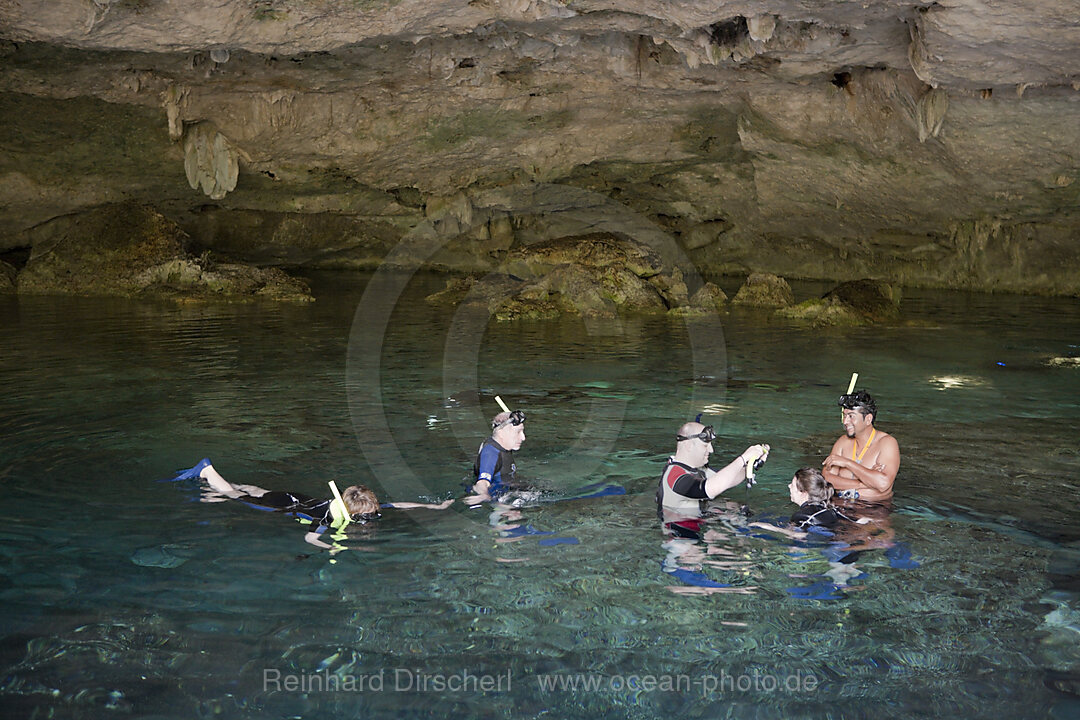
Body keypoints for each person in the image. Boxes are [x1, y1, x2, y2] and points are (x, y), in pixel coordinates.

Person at [172, 458, 453, 548]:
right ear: (354, 511)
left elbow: (398, 506)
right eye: (366, 516)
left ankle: (223, 480)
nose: (371, 517)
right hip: (283, 505)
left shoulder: (349, 506)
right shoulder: (329, 519)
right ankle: (208, 471)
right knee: (238, 497)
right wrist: (332, 545)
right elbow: (309, 538)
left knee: (257, 490)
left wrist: (434, 507)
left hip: (291, 495)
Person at [656, 421, 770, 514]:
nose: (711, 450)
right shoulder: (673, 475)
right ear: (688, 446)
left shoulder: (697, 469)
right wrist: (743, 458)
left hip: (697, 528)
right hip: (679, 539)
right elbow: (711, 488)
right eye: (705, 445)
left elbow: (727, 480)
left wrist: (752, 463)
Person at [822, 390, 899, 503]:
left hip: (874, 508)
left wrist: (847, 463)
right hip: (839, 504)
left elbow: (882, 484)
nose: (845, 421)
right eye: (844, 415)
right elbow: (826, 479)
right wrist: (863, 483)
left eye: (851, 416)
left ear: (868, 419)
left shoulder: (887, 443)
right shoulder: (843, 442)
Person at [467, 409, 526, 504]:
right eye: (518, 432)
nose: (523, 437)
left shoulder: (504, 446)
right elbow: (482, 482)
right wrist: (483, 495)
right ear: (501, 433)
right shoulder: (490, 453)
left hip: (509, 488)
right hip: (497, 498)